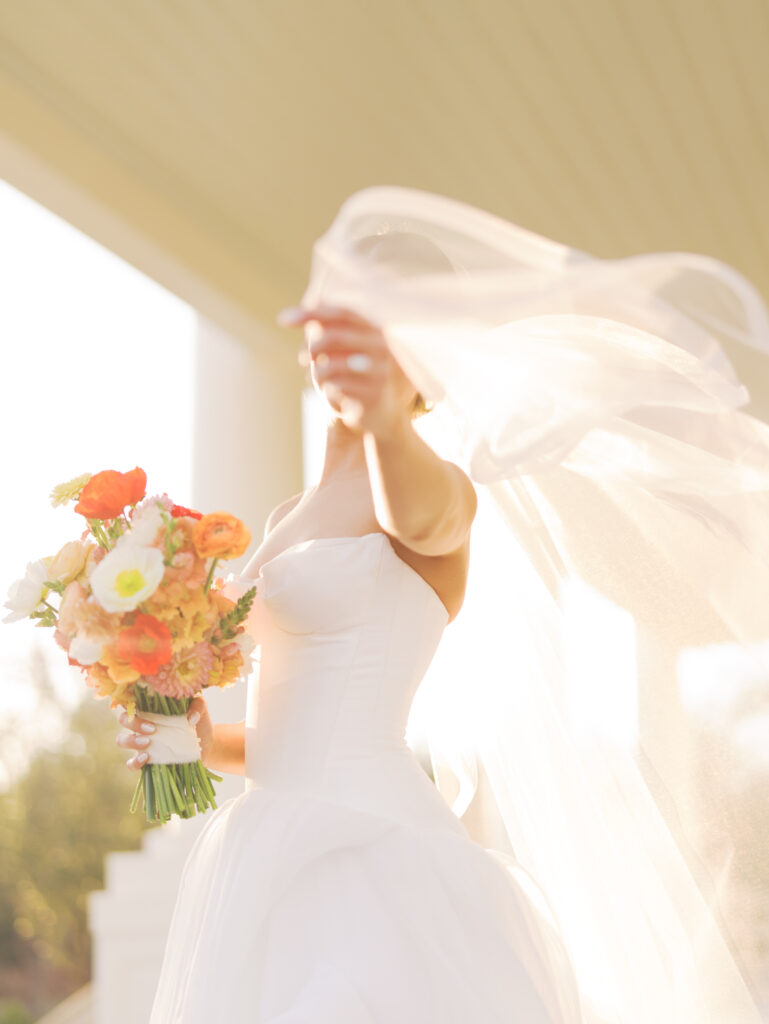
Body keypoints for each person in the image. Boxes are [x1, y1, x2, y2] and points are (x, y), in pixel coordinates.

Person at [116, 300, 583, 1021]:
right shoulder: (285, 516)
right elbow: (293, 729)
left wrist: (383, 420)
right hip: (264, 847)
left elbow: (421, 516)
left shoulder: (439, 489)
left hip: (371, 846)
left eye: (371, 339)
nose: (341, 349)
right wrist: (202, 740)